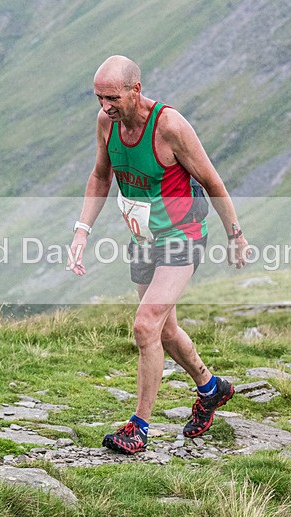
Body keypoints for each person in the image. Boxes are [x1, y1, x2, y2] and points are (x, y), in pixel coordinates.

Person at [68, 55, 251, 455]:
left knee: (146, 326)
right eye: (98, 98)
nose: (105, 107)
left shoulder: (169, 127)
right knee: (165, 331)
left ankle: (139, 427)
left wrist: (234, 234)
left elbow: (212, 180)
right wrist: (82, 231)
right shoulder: (107, 125)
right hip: (143, 238)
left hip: (182, 236)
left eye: (112, 97)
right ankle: (210, 388)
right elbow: (101, 176)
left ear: (136, 89)